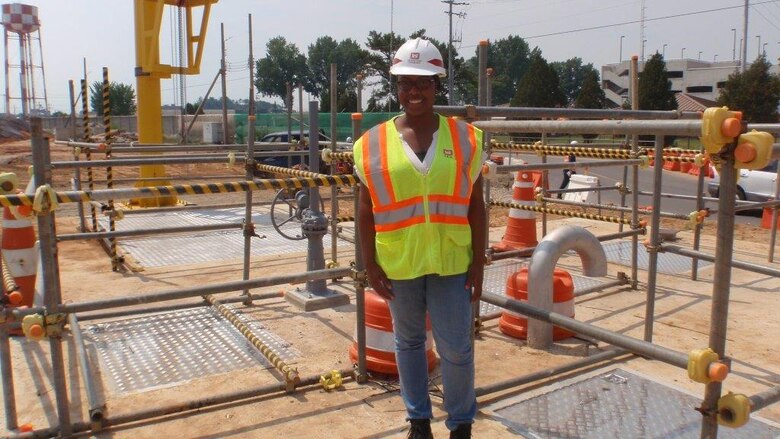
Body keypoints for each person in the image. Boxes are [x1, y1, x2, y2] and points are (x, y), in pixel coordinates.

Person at [353, 37, 485, 439]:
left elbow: (476, 205)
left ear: (437, 85)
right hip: (400, 264)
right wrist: (369, 265)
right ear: (396, 87)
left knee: (456, 348)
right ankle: (419, 421)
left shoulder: (467, 138)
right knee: (408, 344)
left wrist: (479, 262)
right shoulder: (370, 144)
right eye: (406, 82)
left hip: (451, 263)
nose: (414, 91)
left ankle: (460, 423)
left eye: (423, 82)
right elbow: (363, 209)